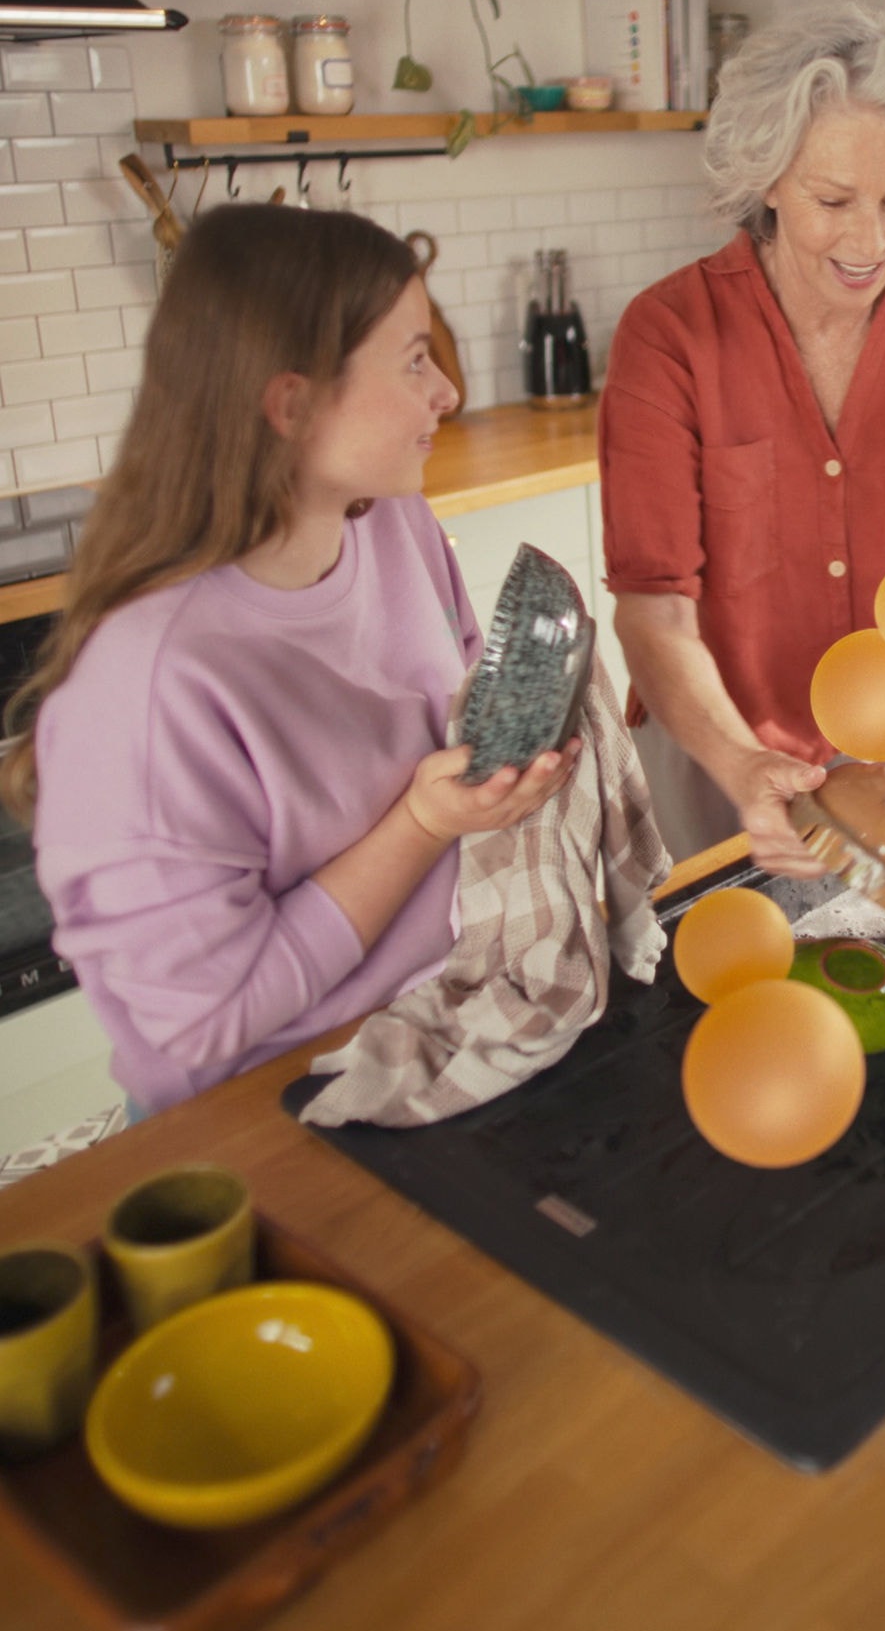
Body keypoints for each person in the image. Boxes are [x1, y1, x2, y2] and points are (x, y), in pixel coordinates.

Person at [1, 203, 577, 1117]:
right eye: (415, 358)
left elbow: (469, 702)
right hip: (272, 1115)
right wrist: (423, 825)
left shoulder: (391, 523)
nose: (448, 394)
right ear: (293, 401)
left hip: (440, 1032)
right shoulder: (150, 684)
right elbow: (209, 1021)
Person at [599, 0, 885, 875]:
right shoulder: (669, 334)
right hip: (709, 753)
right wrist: (743, 762)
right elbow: (655, 605)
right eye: (833, 200)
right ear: (768, 178)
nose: (869, 241)